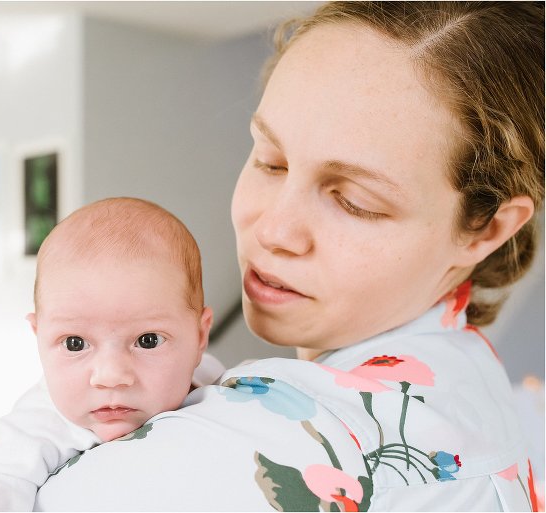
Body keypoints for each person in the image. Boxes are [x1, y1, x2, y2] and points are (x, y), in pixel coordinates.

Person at [33, 2, 544, 511]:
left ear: (488, 228)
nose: (274, 231)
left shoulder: (273, 445)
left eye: (354, 202)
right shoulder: (472, 383)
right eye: (269, 161)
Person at [0, 197, 223, 512]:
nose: (110, 375)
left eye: (147, 341)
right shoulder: (37, 428)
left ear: (199, 337)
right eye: (75, 343)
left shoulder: (216, 380)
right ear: (39, 338)